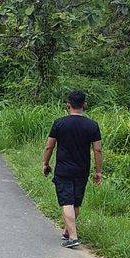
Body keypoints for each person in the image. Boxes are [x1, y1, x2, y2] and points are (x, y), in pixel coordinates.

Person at [41, 90, 103, 248]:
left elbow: (49, 146)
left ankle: (73, 237)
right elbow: (97, 150)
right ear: (85, 105)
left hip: (64, 169)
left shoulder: (59, 123)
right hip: (82, 170)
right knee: (75, 203)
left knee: (66, 202)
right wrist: (98, 171)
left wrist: (45, 164)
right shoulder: (92, 125)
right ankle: (68, 231)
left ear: (68, 104)